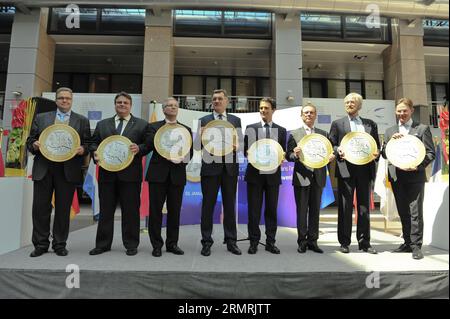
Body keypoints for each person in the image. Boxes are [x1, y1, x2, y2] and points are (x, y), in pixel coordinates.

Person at [26, 87, 91, 257]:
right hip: (44, 168)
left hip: (67, 169)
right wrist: (34, 145)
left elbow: (88, 143)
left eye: (67, 98)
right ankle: (40, 244)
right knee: (40, 208)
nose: (64, 101)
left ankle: (59, 244)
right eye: (61, 98)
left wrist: (83, 149)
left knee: (63, 209)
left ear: (71, 101)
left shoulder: (82, 120)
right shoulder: (41, 118)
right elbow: (30, 140)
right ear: (56, 100)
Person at [89, 92, 151, 256]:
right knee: (106, 210)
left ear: (130, 105)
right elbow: (93, 142)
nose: (122, 105)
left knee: (131, 210)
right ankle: (102, 244)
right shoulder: (102, 124)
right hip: (107, 175)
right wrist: (94, 152)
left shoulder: (141, 124)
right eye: (119, 102)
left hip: (130, 175)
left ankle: (131, 244)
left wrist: (140, 148)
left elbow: (148, 144)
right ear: (115, 105)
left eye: (125, 102)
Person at [381, 98, 435, 260]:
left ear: (411, 110)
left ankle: (416, 246)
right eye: (399, 111)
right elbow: (384, 154)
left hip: (414, 176)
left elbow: (430, 153)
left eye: (404, 110)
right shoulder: (390, 131)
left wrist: (417, 166)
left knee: (415, 212)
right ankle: (406, 242)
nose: (401, 114)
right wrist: (390, 143)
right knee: (403, 211)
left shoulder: (422, 128)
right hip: (397, 177)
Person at [329, 92, 380, 254]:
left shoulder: (370, 124)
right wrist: (338, 150)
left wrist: (376, 153)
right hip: (346, 169)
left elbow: (376, 146)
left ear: (359, 105)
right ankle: (344, 242)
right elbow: (332, 144)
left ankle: (365, 242)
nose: (349, 105)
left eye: (352, 102)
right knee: (344, 207)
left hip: (365, 169)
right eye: (347, 103)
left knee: (364, 207)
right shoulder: (338, 124)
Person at [198, 89, 243, 256]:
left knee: (230, 206)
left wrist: (237, 146)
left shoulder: (235, 120)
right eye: (214, 99)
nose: (217, 101)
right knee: (208, 206)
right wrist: (199, 137)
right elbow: (196, 146)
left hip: (229, 169)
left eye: (220, 99)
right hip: (210, 169)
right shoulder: (204, 120)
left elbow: (241, 145)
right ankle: (206, 242)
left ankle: (231, 241)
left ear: (227, 102)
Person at [146, 97, 193, 257]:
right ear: (164, 109)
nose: (172, 108)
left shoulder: (185, 129)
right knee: (155, 211)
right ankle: (156, 245)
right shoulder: (153, 127)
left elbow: (190, 152)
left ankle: (172, 244)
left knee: (174, 211)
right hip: (157, 175)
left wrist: (183, 159)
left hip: (177, 174)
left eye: (175, 106)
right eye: (169, 106)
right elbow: (149, 145)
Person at [286, 102, 335, 254]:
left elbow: (330, 152)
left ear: (315, 115)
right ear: (301, 116)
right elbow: (288, 155)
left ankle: (313, 241)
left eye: (311, 112)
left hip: (318, 177)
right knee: (301, 211)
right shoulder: (294, 134)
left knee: (315, 211)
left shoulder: (323, 134)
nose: (308, 115)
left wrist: (332, 156)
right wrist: (294, 154)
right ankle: (302, 241)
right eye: (306, 113)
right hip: (301, 177)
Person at [244, 97, 286, 254]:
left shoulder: (281, 130)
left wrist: (282, 157)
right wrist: (247, 152)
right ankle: (253, 242)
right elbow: (245, 150)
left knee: (271, 211)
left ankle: (270, 242)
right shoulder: (250, 128)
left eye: (266, 108)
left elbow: (282, 153)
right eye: (261, 108)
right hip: (254, 176)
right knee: (253, 211)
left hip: (273, 176)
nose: (263, 110)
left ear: (273, 110)